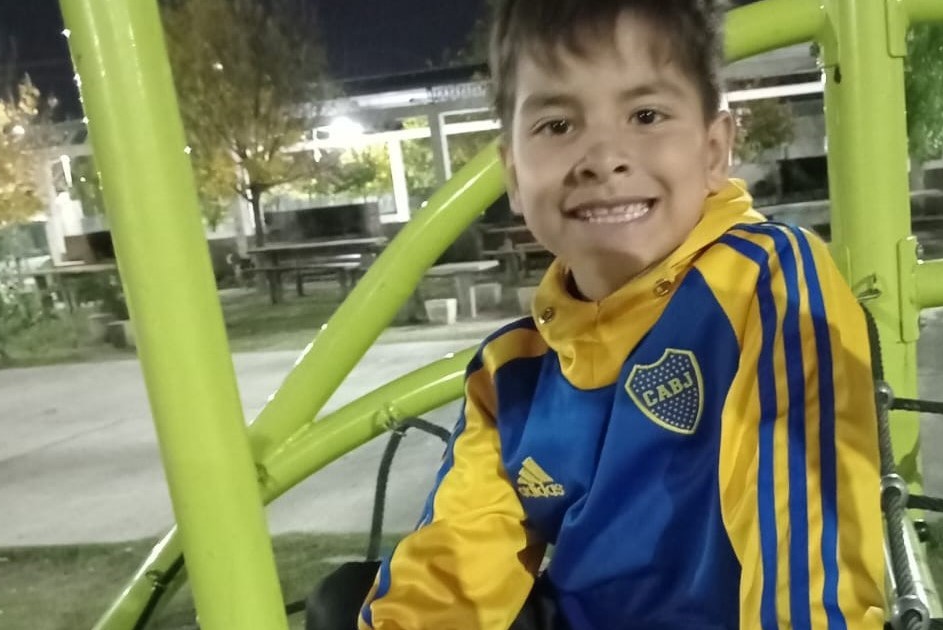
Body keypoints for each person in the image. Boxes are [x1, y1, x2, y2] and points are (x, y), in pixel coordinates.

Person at [359, 1, 885, 628]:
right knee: (350, 596)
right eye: (558, 125)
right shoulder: (511, 372)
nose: (603, 157)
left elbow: (809, 531)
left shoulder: (763, 280)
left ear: (713, 150)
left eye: (645, 115)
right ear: (515, 175)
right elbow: (454, 570)